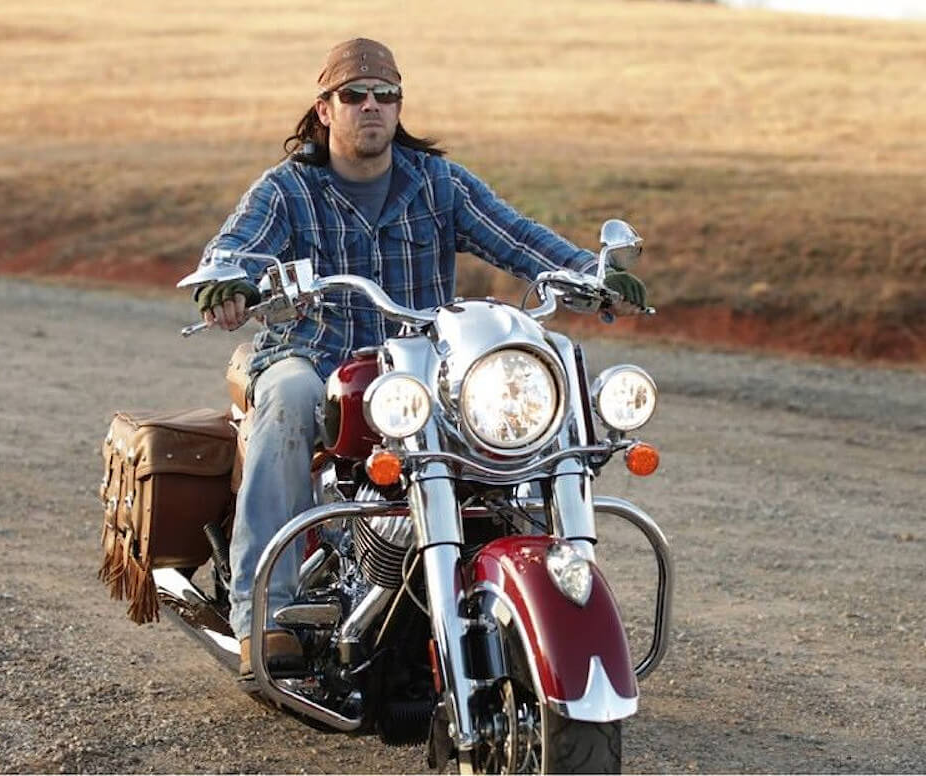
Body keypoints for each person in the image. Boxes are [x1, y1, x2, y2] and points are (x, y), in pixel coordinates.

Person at [192, 38, 648, 678]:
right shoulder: (289, 189)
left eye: (386, 95)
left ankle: (523, 593)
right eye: (354, 95)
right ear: (324, 109)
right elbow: (234, 248)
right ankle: (264, 612)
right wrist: (227, 281)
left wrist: (590, 273)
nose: (371, 106)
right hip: (315, 355)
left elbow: (515, 235)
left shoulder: (435, 182)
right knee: (288, 404)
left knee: (521, 410)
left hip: (420, 367)